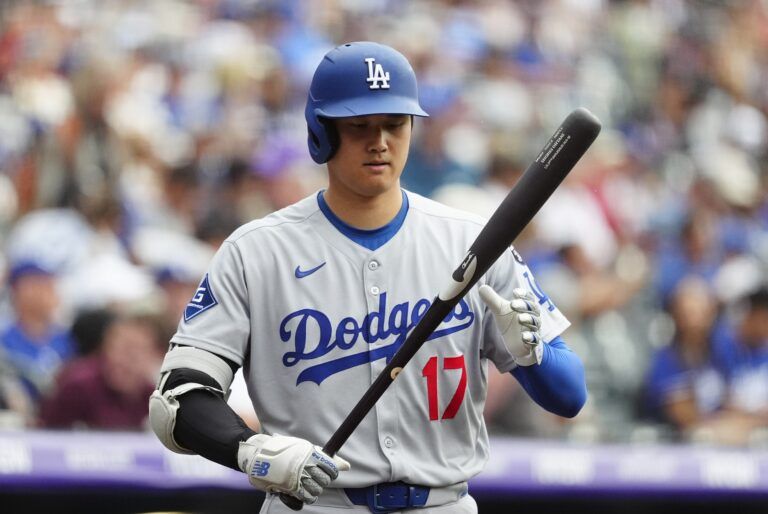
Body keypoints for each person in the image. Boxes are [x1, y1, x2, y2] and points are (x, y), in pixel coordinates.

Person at [149, 41, 587, 513]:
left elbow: (569, 397)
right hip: (317, 506)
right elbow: (178, 403)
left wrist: (533, 354)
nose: (380, 141)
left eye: (395, 124)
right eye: (359, 125)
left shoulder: (475, 242)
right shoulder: (256, 251)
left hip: (443, 503)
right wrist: (252, 452)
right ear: (321, 132)